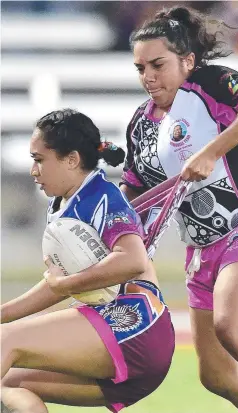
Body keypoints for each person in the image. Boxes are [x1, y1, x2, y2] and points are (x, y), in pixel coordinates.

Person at [120, 6, 238, 413]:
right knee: (216, 376)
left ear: (188, 61)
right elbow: (134, 190)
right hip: (202, 251)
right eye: (140, 67)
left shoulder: (212, 84)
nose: (148, 76)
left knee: (232, 327)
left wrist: (211, 151)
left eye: (158, 64)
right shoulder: (140, 125)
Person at [1, 109, 175, 413]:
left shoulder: (101, 196)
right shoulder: (65, 205)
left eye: (40, 160)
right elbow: (56, 286)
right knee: (10, 384)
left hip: (135, 325)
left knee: (5, 342)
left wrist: (65, 283)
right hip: (126, 339)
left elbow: (133, 260)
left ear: (71, 160)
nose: (33, 170)